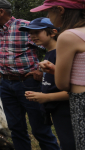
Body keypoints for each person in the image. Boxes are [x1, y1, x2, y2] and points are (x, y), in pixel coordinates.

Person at [0, 0, 59, 150]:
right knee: (16, 128)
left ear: (1, 11)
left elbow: (51, 46)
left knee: (39, 128)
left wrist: (41, 70)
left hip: (28, 83)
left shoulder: (26, 26)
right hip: (6, 85)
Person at [30, 0, 85, 149]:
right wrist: (55, 69)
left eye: (49, 12)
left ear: (60, 10)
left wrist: (58, 72)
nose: (48, 17)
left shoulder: (68, 37)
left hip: (80, 102)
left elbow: (61, 84)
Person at [19, 17, 75, 150]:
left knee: (70, 143)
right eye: (30, 33)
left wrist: (46, 97)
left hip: (66, 109)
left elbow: (75, 89)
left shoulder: (61, 53)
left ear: (53, 32)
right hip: (56, 110)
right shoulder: (49, 53)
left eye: (36, 32)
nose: (32, 36)